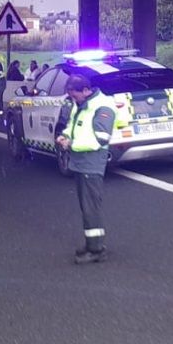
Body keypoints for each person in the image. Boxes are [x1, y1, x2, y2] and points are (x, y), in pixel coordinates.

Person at [56, 73, 117, 264]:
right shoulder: (82, 104)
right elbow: (73, 126)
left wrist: (71, 144)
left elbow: (101, 138)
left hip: (92, 161)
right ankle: (93, 244)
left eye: (75, 95)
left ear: (85, 90)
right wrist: (65, 135)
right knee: (86, 206)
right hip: (81, 161)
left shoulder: (102, 106)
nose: (74, 99)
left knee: (91, 207)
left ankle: (97, 249)